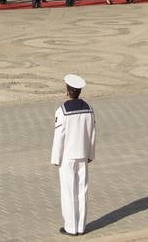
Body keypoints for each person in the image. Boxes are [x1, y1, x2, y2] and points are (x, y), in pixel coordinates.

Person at [51, 73, 96, 237]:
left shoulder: (62, 111)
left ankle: (71, 227)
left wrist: (56, 158)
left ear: (68, 91)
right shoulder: (89, 109)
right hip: (83, 154)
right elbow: (92, 133)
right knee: (82, 190)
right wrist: (90, 154)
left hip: (67, 156)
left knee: (68, 191)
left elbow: (59, 136)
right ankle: (81, 226)